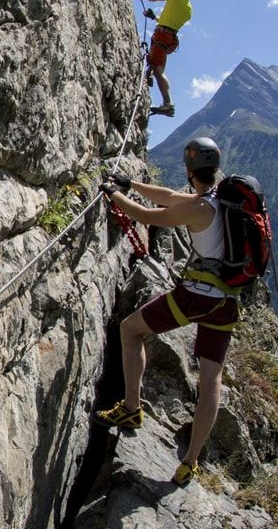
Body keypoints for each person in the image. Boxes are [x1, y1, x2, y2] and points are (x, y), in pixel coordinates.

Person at [94, 137, 237, 486]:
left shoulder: (198, 207)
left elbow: (147, 214)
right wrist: (131, 184)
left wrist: (114, 195)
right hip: (228, 300)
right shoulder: (221, 200)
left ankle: (131, 408)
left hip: (196, 296)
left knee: (131, 329)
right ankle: (190, 462)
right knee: (210, 380)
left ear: (189, 171)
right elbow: (169, 197)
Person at [138, 0, 195, 117]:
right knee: (157, 62)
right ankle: (149, 72)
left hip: (161, 36)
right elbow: (170, 23)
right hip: (170, 39)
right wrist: (154, 17)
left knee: (159, 71)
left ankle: (168, 104)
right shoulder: (188, 8)